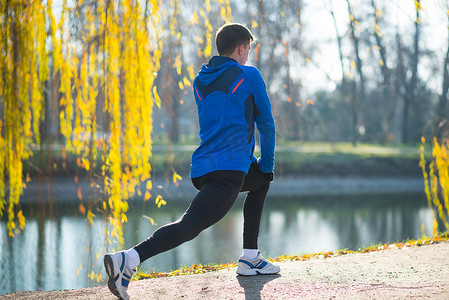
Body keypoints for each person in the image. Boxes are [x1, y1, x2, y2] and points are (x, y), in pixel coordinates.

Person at [104, 22, 279, 300]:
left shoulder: (201, 80)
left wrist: (262, 171)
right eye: (248, 50)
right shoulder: (249, 75)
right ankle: (130, 257)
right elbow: (266, 125)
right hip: (229, 171)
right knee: (189, 226)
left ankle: (250, 258)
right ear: (241, 48)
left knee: (260, 181)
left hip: (203, 169)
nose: (248, 56)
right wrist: (268, 163)